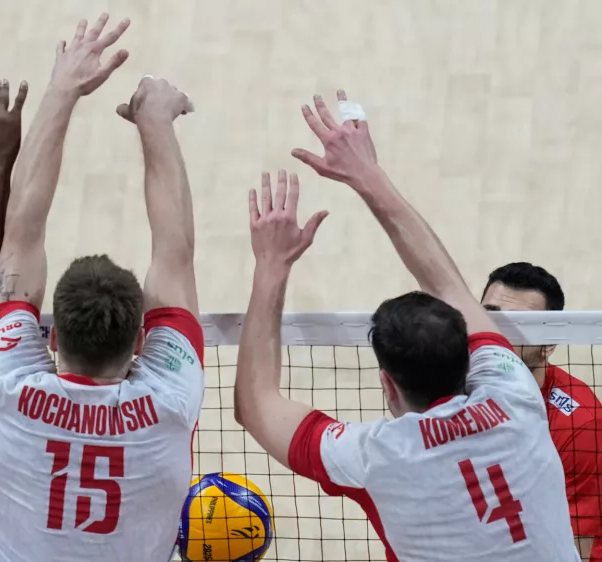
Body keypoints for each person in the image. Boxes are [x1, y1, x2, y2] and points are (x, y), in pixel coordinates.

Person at [233, 91, 579, 561]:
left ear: (387, 384)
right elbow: (449, 284)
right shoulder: (514, 395)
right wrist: (369, 175)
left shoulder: (376, 457)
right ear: (471, 354)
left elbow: (255, 405)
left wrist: (271, 263)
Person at [0, 14, 203, 562]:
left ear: (51, 341)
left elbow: (20, 234)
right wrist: (157, 124)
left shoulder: (7, 386)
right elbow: (177, 254)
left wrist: (61, 90)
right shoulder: (169, 401)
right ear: (140, 347)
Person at [481, 262, 602, 561]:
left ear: (548, 344)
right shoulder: (454, 385)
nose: (497, 335)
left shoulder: (582, 423)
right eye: (491, 316)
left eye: (518, 327)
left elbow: (575, 550)